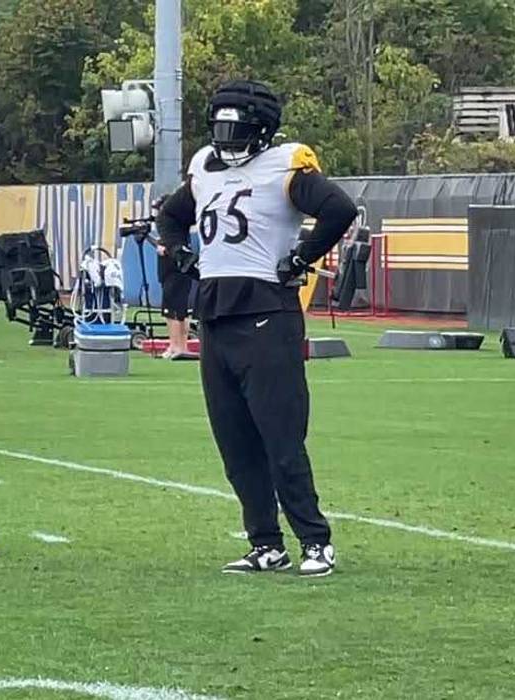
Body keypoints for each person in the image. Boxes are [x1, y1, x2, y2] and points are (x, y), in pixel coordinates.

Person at [156, 79, 357, 577]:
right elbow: (171, 215)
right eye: (220, 126)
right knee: (235, 441)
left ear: (262, 129)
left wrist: (302, 257)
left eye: (237, 127)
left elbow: (339, 208)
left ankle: (316, 541)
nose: (226, 137)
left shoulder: (287, 165)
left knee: (280, 436)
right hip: (217, 313)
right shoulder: (204, 166)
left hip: (267, 310)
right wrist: (180, 252)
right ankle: (265, 543)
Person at [155, 195, 196, 360]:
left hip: (174, 272)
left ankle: (177, 345)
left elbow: (173, 249)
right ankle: (179, 345)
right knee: (179, 311)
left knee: (174, 312)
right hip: (172, 273)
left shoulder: (174, 232)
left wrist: (164, 250)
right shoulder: (175, 231)